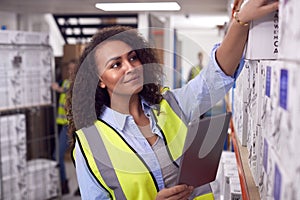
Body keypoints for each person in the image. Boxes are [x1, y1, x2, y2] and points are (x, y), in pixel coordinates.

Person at [65, 0, 278, 199]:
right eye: (115, 65)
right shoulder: (89, 145)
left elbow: (214, 77)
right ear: (100, 80)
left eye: (132, 58)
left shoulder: (171, 106)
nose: (130, 68)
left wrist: (241, 22)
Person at [51, 59, 78, 195]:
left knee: (78, 158)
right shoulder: (67, 82)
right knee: (58, 156)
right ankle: (64, 184)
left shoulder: (78, 84)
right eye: (69, 70)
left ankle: (81, 186)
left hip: (73, 128)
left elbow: (68, 90)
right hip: (64, 127)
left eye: (74, 69)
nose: (71, 72)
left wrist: (59, 89)